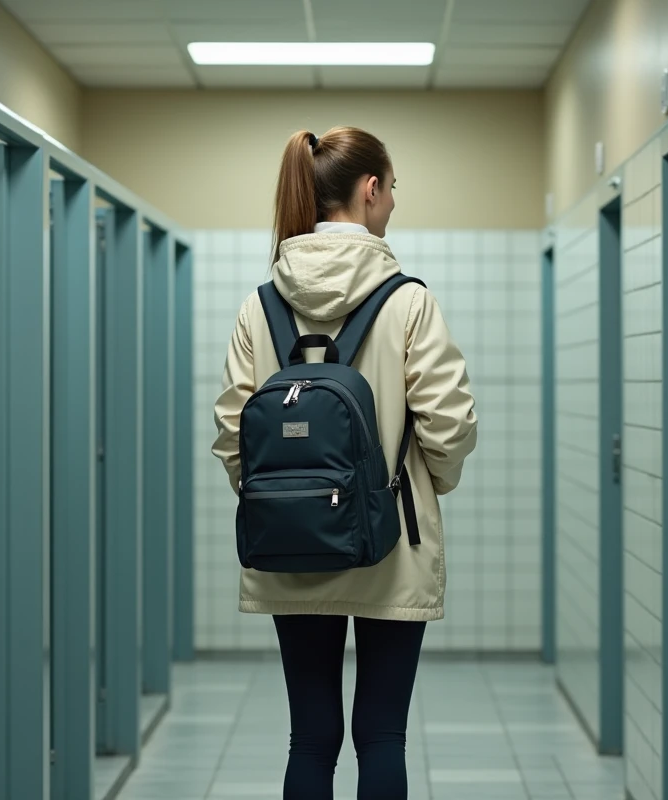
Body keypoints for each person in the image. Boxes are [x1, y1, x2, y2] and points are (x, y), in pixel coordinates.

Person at [211, 126, 479, 800]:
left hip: (290, 546)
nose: (393, 203)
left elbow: (231, 433)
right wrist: (417, 488)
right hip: (392, 545)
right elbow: (450, 425)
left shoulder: (259, 306)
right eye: (392, 190)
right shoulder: (409, 301)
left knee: (311, 737)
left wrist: (286, 498)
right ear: (370, 189)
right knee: (382, 734)